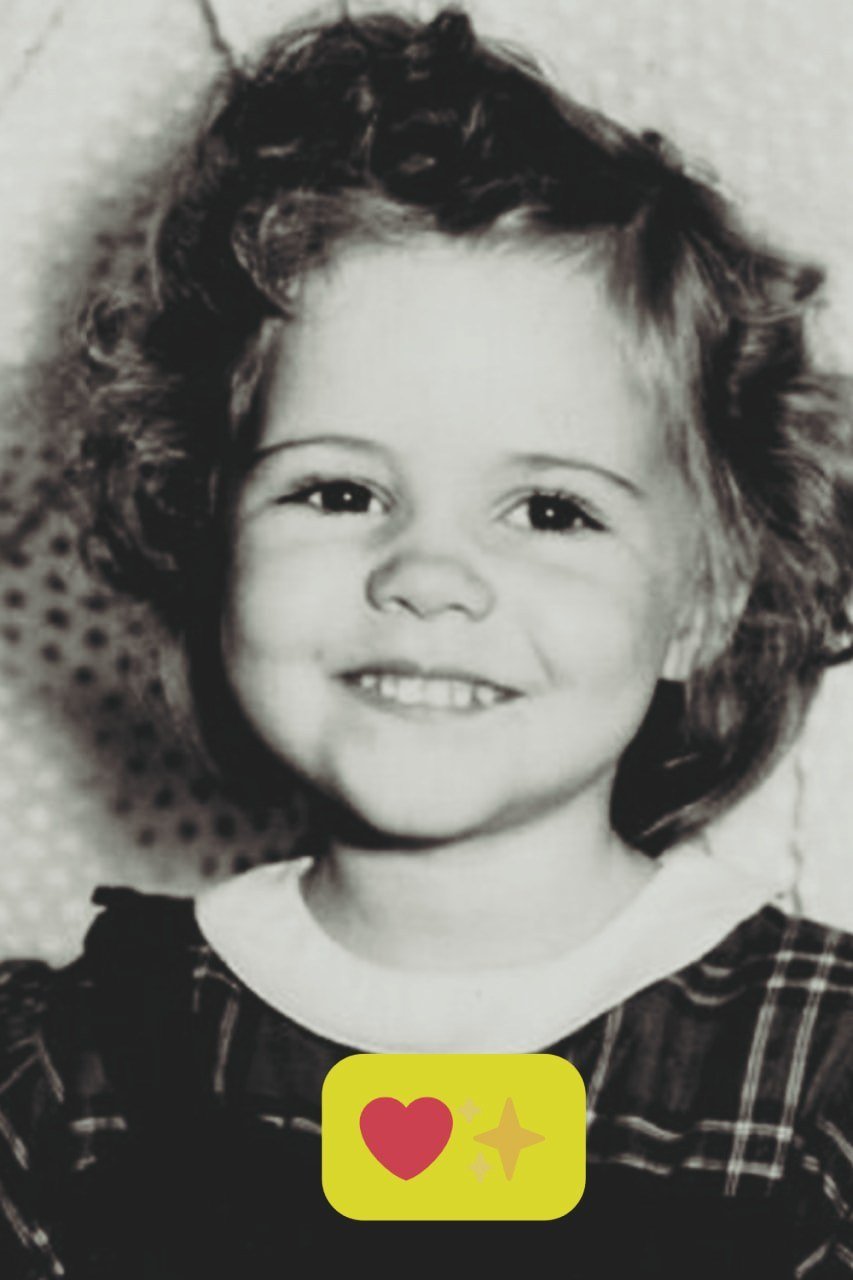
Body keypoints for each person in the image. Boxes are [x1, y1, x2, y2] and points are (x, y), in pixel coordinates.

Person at [2, 7, 853, 1276]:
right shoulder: (76, 1068)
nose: (428, 575)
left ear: (705, 599)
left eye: (550, 509)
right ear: (210, 536)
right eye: (339, 490)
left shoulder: (816, 1080)